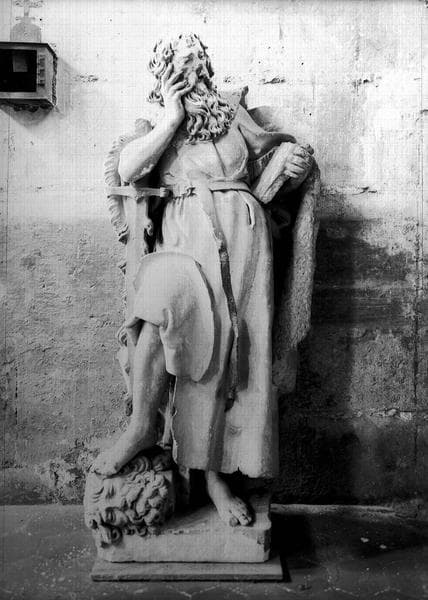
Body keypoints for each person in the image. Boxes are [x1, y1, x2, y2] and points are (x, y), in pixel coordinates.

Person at [92, 33, 314, 527]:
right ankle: (142, 425)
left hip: (245, 242)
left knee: (231, 355)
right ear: (165, 74)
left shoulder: (232, 115)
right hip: (184, 241)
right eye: (183, 64)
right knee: (160, 316)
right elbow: (128, 169)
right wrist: (172, 118)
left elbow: (271, 158)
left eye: (199, 62)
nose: (195, 72)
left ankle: (215, 475)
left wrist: (291, 165)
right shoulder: (158, 125)